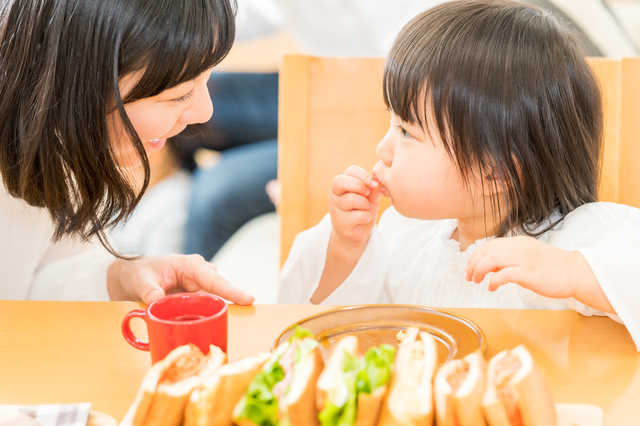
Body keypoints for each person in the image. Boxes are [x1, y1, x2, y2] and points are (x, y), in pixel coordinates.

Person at [277, 0, 640, 350]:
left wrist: (575, 272)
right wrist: (345, 248)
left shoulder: (579, 241)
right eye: (392, 124)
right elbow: (324, 326)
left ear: (496, 172)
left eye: (406, 132)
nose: (382, 149)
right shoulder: (405, 238)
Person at [0, 0, 253, 305]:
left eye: (208, 78)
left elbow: (28, 284)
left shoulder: (61, 148)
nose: (204, 112)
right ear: (79, 81)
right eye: (179, 94)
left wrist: (118, 280)